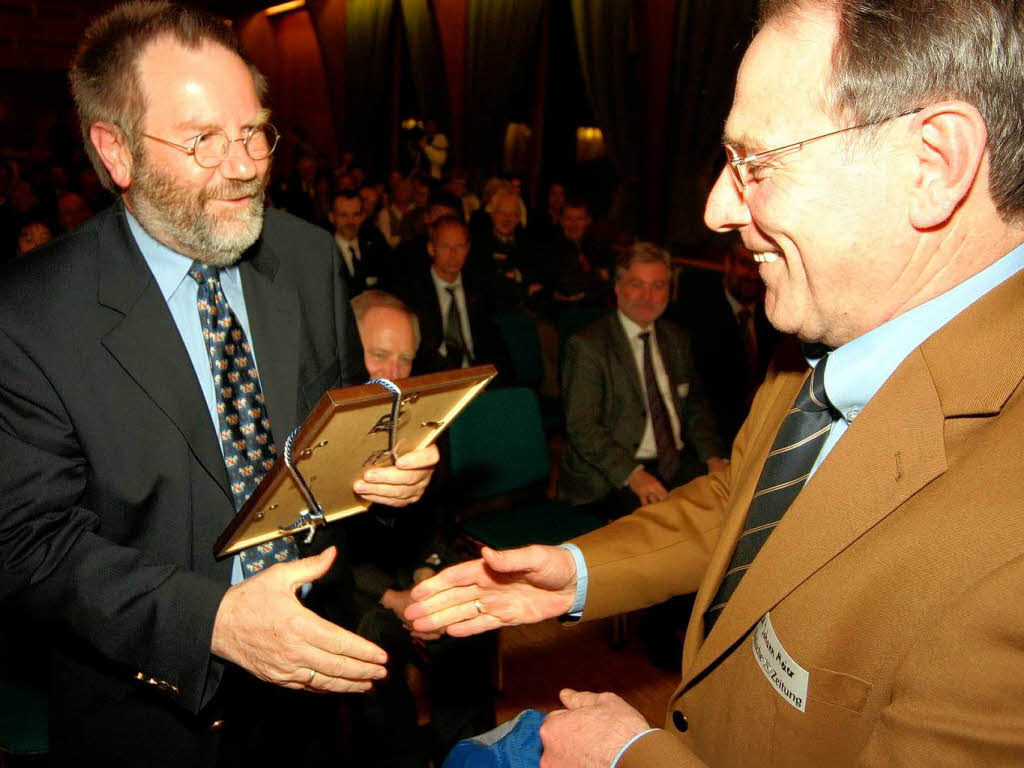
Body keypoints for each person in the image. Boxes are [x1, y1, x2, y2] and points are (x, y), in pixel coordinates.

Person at [407, 1, 1024, 765]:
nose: (716, 207)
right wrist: (574, 572)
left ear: (932, 164)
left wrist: (629, 755)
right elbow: (743, 507)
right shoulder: (818, 348)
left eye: (756, 163)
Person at [0, 3, 439, 765]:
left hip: (313, 689)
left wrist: (384, 477)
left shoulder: (306, 259)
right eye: (202, 140)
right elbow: (30, 546)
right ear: (116, 150)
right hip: (150, 714)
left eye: (251, 132)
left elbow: (329, 449)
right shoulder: (29, 315)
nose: (243, 166)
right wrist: (213, 622)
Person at [346, 290, 496, 766]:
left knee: (468, 605)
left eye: (405, 359)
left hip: (410, 564)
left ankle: (468, 750)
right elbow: (325, 547)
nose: (393, 373)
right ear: (350, 347)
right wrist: (395, 597)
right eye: (379, 355)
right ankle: (401, 755)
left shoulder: (423, 420)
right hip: (348, 580)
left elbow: (437, 513)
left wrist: (429, 575)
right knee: (374, 638)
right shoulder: (320, 423)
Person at [560, 242, 726, 517]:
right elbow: (583, 427)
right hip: (613, 474)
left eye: (658, 286)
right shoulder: (588, 346)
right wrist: (633, 475)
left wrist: (713, 458)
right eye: (637, 284)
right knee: (666, 534)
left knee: (727, 509)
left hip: (674, 462)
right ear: (617, 287)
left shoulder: (676, 339)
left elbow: (695, 407)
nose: (647, 296)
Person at [674, 235, 780, 446]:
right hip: (711, 437)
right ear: (727, 264)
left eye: (760, 266)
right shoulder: (696, 314)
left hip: (760, 434)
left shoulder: (775, 317)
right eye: (745, 264)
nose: (752, 275)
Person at [393, 215, 512, 380]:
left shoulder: (480, 287)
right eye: (445, 246)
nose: (453, 254)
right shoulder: (412, 292)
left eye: (460, 246)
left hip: (479, 377)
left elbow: (493, 343)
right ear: (431, 248)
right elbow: (420, 352)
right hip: (434, 380)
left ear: (468, 248)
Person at [329, 189, 388, 295]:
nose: (350, 222)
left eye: (356, 215)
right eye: (343, 215)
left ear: (363, 216)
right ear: (332, 217)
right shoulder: (322, 254)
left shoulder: (376, 246)